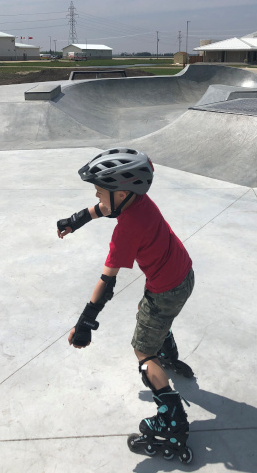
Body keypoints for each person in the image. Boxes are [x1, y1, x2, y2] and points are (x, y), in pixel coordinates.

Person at [57, 147, 195, 463]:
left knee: (142, 351)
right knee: (151, 315)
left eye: (99, 192)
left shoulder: (127, 230)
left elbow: (106, 284)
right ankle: (167, 349)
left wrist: (84, 324)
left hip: (166, 290)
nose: (97, 198)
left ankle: (172, 421)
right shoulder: (138, 203)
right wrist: (77, 220)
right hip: (184, 274)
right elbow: (107, 208)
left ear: (121, 193)